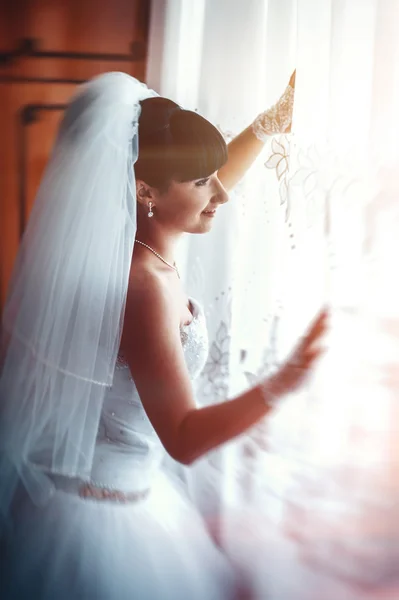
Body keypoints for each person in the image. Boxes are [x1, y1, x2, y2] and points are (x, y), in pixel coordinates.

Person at [0, 71, 327, 599]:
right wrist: (285, 380)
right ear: (145, 190)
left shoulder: (154, 244)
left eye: (214, 176)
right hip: (98, 528)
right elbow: (182, 438)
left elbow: (212, 188)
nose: (222, 193)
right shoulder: (144, 287)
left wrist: (268, 125)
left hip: (134, 499)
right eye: (202, 182)